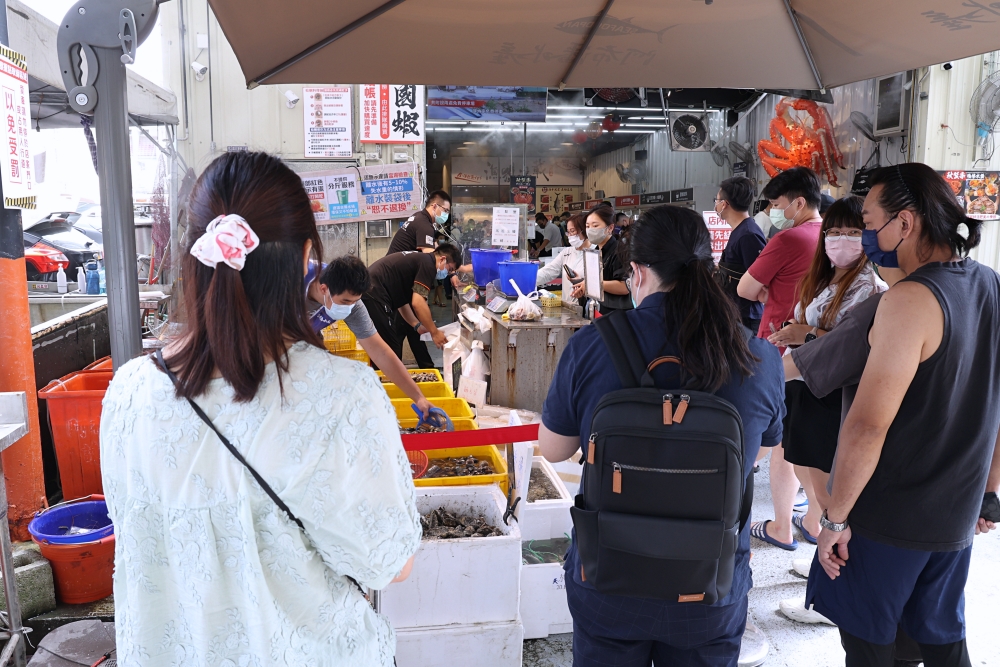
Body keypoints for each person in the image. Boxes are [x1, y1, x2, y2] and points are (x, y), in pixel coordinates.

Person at [99, 151, 421, 666]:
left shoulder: (128, 393)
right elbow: (391, 563)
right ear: (305, 258)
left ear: (194, 254)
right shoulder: (342, 395)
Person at [539, 205, 784, 666]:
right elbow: (761, 449)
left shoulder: (593, 344)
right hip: (709, 586)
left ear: (635, 271)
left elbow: (552, 450)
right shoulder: (756, 356)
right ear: (708, 268)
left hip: (610, 581)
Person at [809, 164, 1000, 667]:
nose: (867, 234)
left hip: (888, 518)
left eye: (869, 222)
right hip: (954, 515)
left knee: (872, 648)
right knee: (939, 642)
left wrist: (834, 517)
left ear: (906, 223)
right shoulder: (989, 285)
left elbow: (869, 424)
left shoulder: (908, 301)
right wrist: (991, 490)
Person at [764, 196, 888, 624]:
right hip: (805, 391)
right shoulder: (823, 278)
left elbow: (852, 347)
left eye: (854, 231)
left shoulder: (872, 287)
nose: (841, 240)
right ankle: (823, 564)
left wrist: (806, 333)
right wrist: (796, 333)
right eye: (834, 231)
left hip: (832, 398)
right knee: (811, 484)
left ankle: (832, 594)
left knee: (832, 499)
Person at [737, 166, 824, 550]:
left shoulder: (789, 239)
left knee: (782, 443)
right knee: (814, 439)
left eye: (776, 204)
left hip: (781, 348)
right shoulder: (834, 237)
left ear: (798, 203)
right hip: (825, 350)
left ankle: (781, 528)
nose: (773, 211)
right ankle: (814, 521)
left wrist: (768, 292)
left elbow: (745, 287)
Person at [306, 254, 436, 416]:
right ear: (323, 289)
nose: (349, 308)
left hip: (307, 334)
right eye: (345, 302)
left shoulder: (352, 303)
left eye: (354, 301)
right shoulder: (287, 286)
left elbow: (380, 351)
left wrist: (419, 398)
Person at [363, 244, 461, 366]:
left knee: (388, 346)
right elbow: (418, 303)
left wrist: (417, 325)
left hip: (372, 291)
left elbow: (402, 302)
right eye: (450, 269)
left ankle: (385, 381)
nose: (447, 273)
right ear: (442, 259)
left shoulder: (420, 261)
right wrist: (434, 333)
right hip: (374, 293)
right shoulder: (428, 265)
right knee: (390, 349)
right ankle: (384, 383)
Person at [715, 176, 767, 332]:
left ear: (724, 204)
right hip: (735, 313)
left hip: (746, 318)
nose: (716, 205)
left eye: (717, 201)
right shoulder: (740, 231)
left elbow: (760, 278)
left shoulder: (748, 235)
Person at [584, 204, 631, 314]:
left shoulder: (619, 251)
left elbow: (624, 286)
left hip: (615, 314)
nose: (590, 230)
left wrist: (591, 284)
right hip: (598, 309)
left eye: (595, 226)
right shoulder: (595, 251)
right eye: (587, 226)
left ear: (610, 228)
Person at [535, 212, 589, 304]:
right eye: (568, 232)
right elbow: (549, 271)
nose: (570, 236)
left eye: (573, 231)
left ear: (584, 230)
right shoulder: (566, 252)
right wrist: (527, 279)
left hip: (586, 307)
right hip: (569, 306)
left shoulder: (595, 254)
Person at [388, 189, 450, 255]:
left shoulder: (420, 216)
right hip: (397, 264)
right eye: (445, 210)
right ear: (435, 206)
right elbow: (430, 256)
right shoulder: (424, 224)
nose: (446, 214)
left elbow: (435, 246)